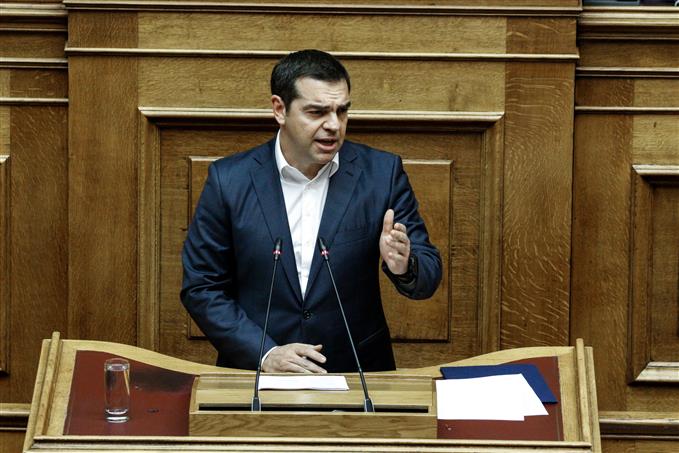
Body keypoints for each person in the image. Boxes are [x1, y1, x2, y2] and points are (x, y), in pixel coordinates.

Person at [181, 49, 441, 373]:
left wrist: (405, 266)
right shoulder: (229, 180)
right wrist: (264, 353)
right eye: (317, 112)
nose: (333, 125)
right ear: (280, 109)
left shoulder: (381, 174)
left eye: (341, 111)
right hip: (257, 376)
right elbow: (201, 287)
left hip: (356, 373)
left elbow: (428, 272)